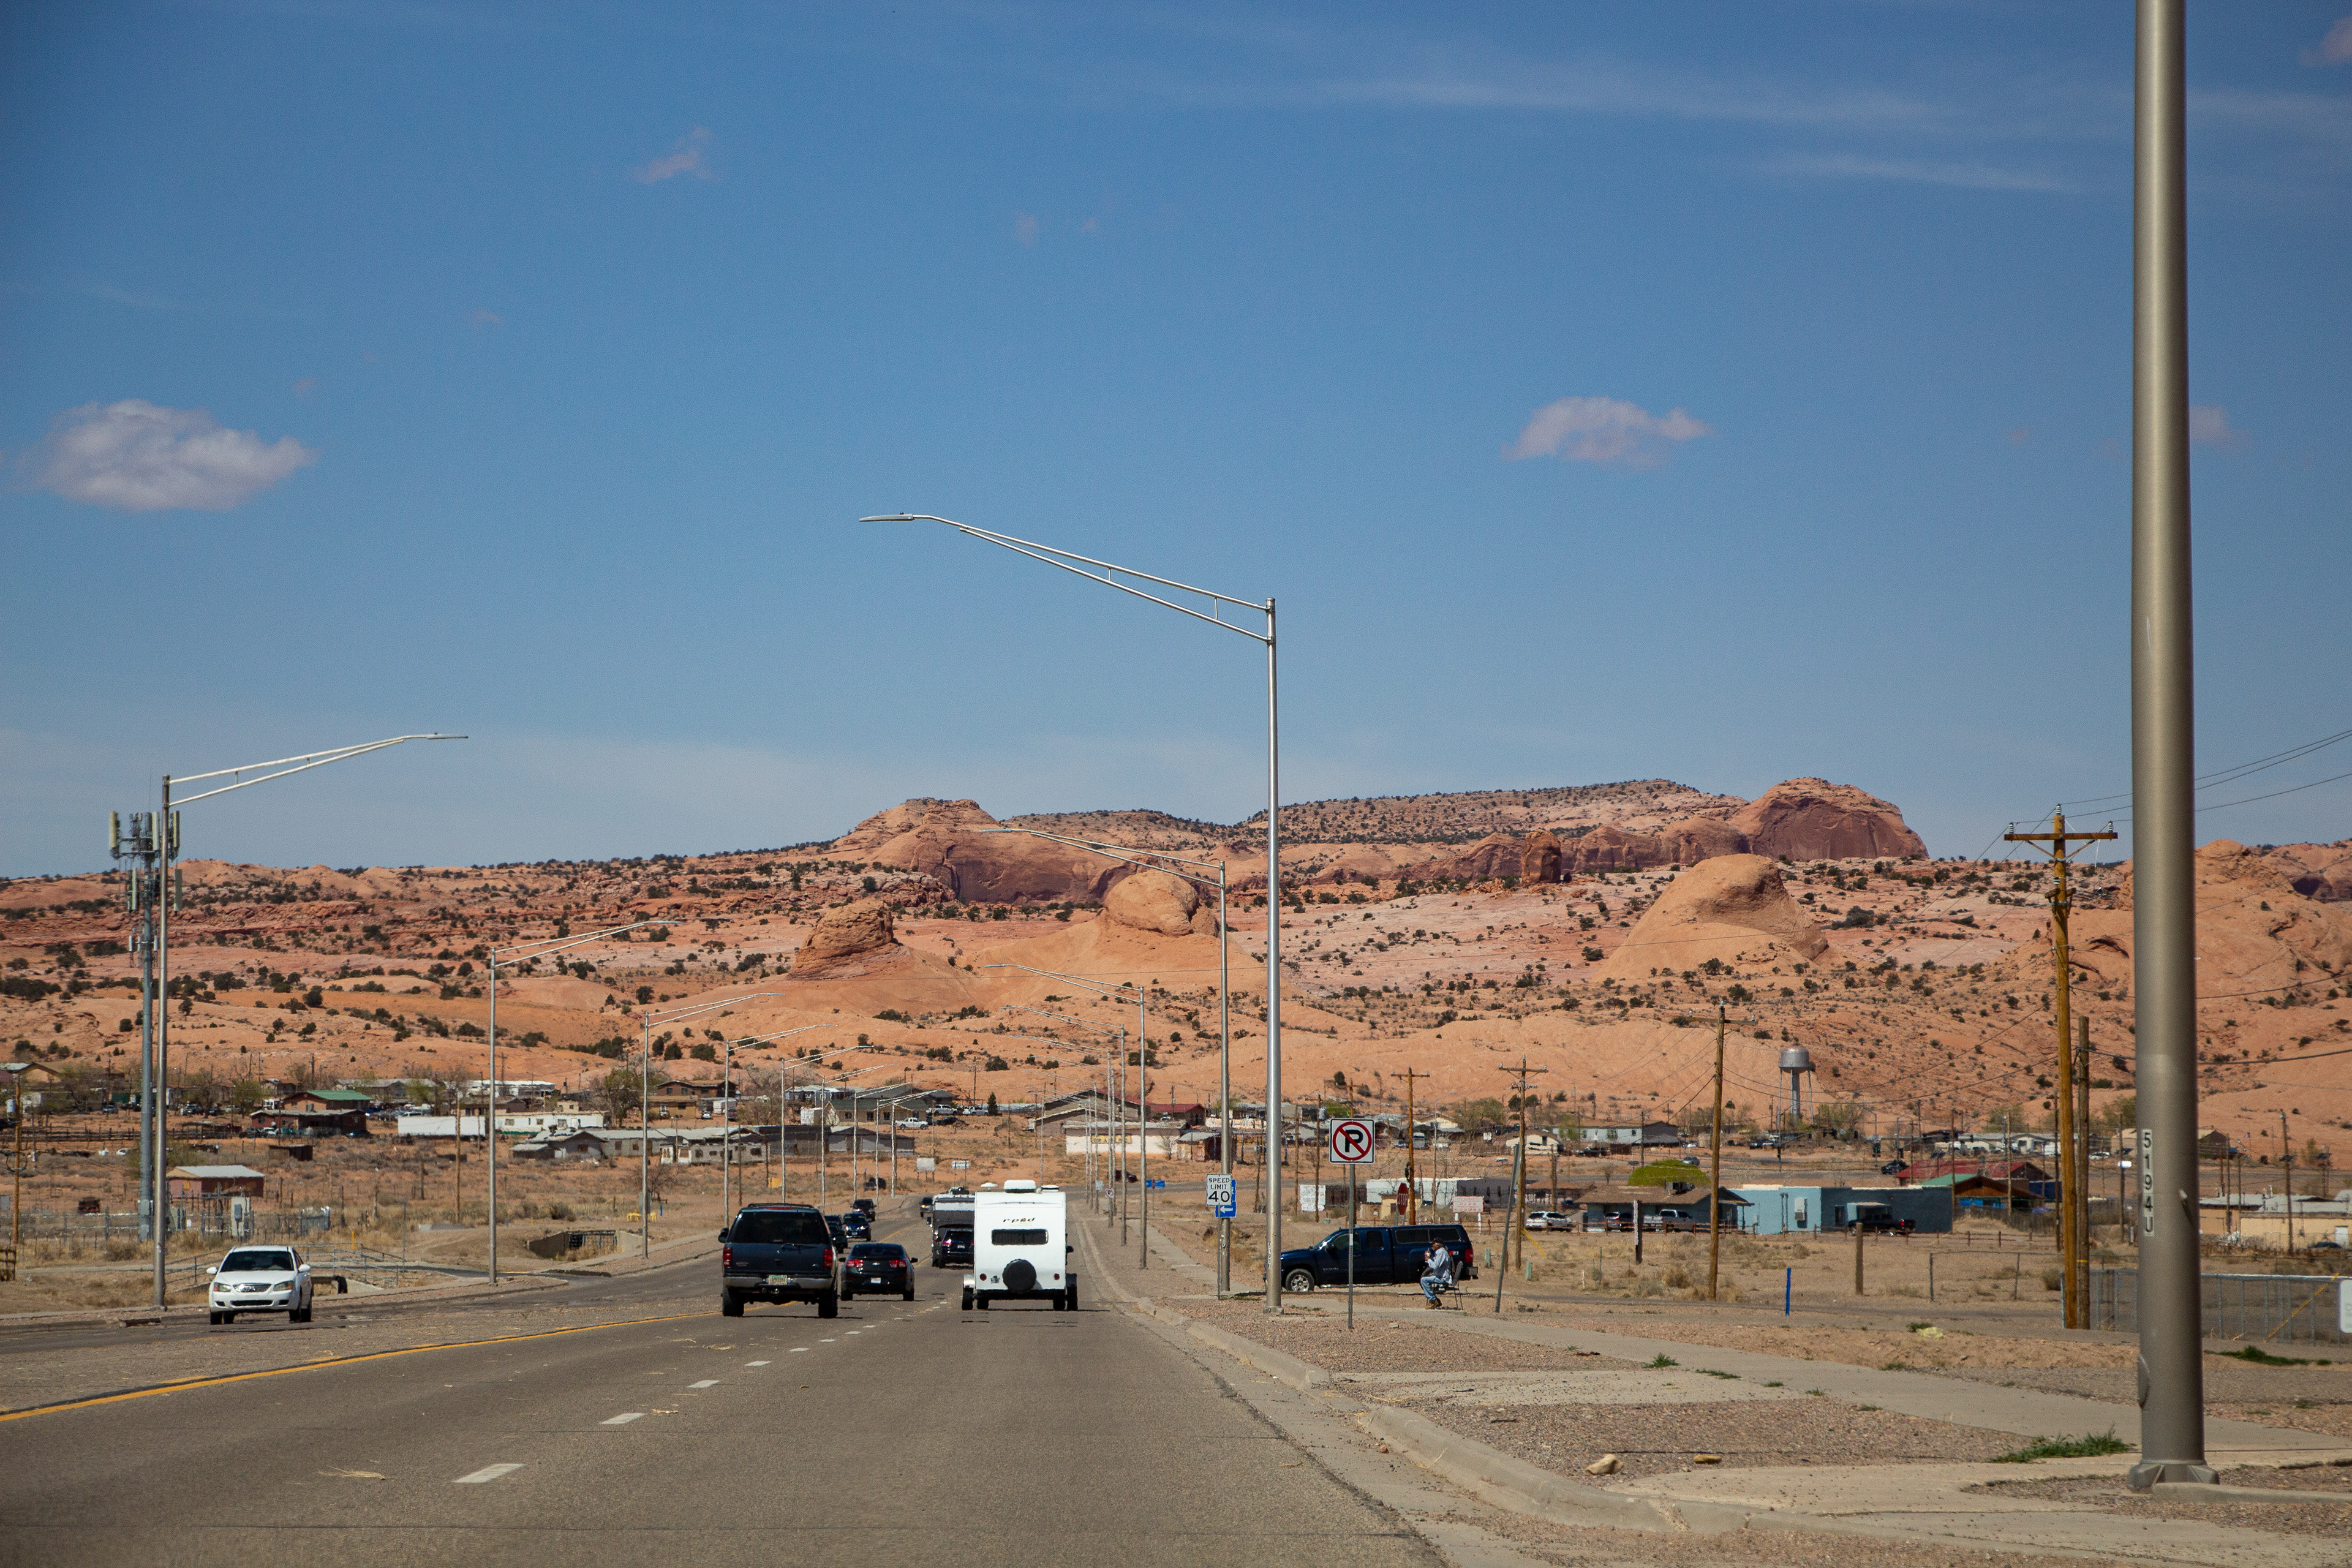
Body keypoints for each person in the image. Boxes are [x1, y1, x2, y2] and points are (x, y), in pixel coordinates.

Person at [1420, 1241, 1455, 1308]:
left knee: (1424, 1280)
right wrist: (1430, 1257)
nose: (1432, 1246)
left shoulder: (1442, 1253)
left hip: (1443, 1278)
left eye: (1433, 1245)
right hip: (1439, 1276)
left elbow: (1436, 1266)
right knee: (1425, 1280)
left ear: (1438, 1245)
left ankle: (1433, 1300)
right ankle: (1434, 1300)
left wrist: (1429, 1260)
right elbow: (1434, 1264)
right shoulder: (1439, 1253)